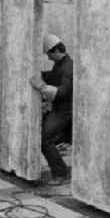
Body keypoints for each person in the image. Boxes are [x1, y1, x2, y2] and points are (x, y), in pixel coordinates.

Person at [30, 33, 73, 185]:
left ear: (55, 50)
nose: (48, 58)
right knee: (48, 138)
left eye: (49, 54)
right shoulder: (61, 64)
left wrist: (41, 86)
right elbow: (54, 76)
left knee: (45, 140)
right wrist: (40, 74)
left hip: (65, 111)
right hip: (59, 109)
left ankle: (60, 174)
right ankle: (60, 170)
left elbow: (63, 91)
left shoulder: (68, 68)